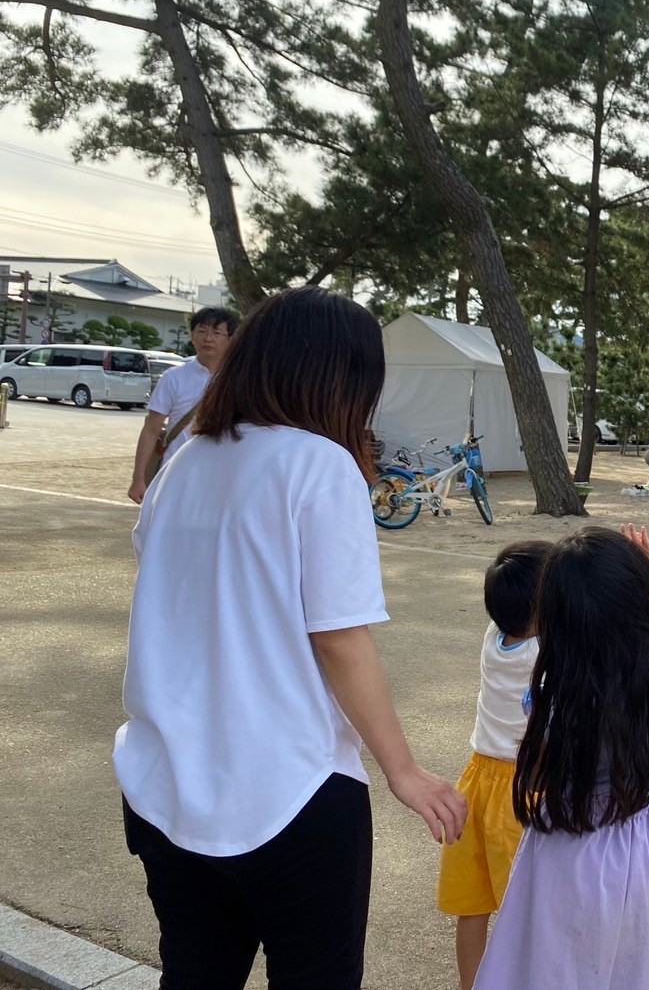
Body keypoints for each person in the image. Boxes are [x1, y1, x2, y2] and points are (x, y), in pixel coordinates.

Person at [114, 287, 467, 989]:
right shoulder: (319, 464)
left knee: (193, 973)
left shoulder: (184, 460)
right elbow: (340, 637)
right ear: (343, 378)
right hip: (286, 787)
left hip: (161, 781)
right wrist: (402, 769)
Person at [473, 477, 649, 990]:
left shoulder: (554, 685)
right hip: (639, 844)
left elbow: (543, 757)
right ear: (640, 598)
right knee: (622, 966)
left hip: (566, 849)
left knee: (550, 966)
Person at [439, 541, 551, 990]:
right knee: (527, 914)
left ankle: (471, 985)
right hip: (522, 792)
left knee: (474, 904)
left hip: (476, 781)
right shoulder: (545, 655)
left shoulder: (496, 638)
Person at [128, 306, 239, 503]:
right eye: (202, 331)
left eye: (216, 332)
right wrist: (138, 478)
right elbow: (151, 430)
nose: (208, 338)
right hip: (174, 473)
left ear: (231, 339)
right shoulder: (173, 378)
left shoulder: (240, 382)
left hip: (221, 477)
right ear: (193, 336)